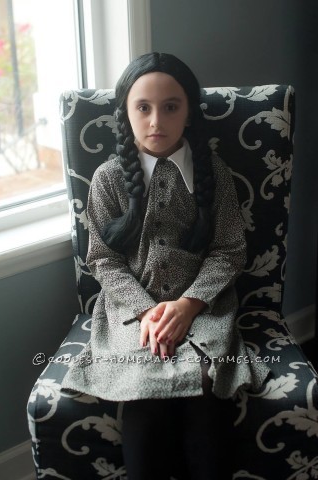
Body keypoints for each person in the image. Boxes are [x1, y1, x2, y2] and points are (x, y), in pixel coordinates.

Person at [62, 52, 270, 479]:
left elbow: (230, 250)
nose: (156, 120)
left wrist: (187, 305)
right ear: (126, 112)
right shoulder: (108, 179)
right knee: (142, 389)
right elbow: (102, 257)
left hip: (203, 306)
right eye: (143, 107)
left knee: (207, 388)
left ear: (189, 112)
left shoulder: (214, 174)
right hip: (129, 311)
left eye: (171, 107)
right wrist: (146, 311)